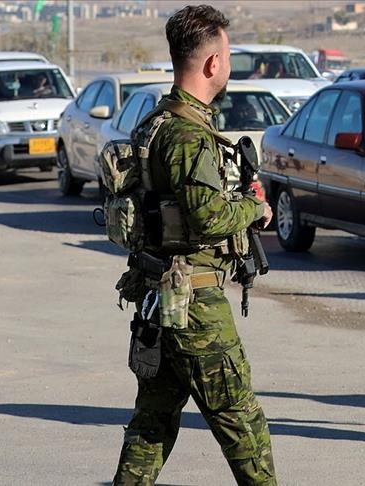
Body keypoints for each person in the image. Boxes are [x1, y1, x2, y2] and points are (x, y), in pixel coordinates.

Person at [111, 5, 276, 485]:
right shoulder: (188, 135)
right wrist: (254, 209)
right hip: (194, 303)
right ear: (212, 64)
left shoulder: (156, 123)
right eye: (225, 54)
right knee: (243, 425)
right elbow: (207, 218)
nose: (227, 64)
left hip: (157, 294)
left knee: (152, 423)